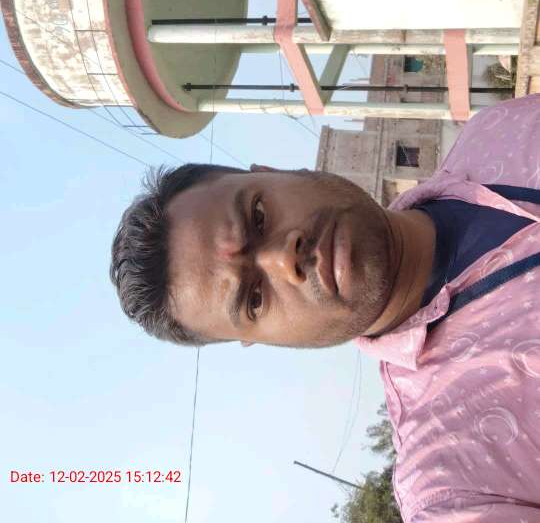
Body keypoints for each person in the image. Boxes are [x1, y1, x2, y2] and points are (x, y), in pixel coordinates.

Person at [110, 94, 540, 521]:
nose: (284, 259)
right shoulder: (458, 484)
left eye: (258, 217)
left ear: (272, 173)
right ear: (259, 340)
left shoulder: (499, 130)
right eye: (254, 298)